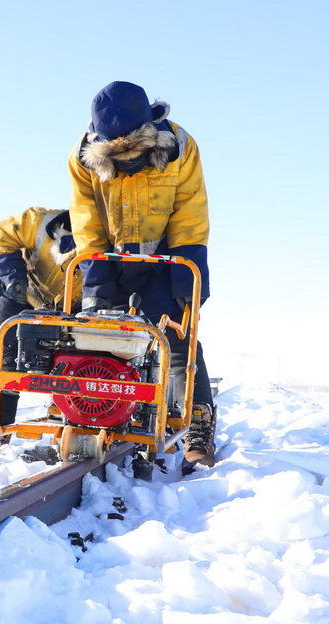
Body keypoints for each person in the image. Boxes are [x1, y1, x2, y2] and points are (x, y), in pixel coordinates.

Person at [67, 81, 217, 471]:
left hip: (167, 256)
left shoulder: (181, 146)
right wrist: (96, 281)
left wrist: (190, 269)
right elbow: (86, 220)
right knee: (104, 340)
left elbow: (190, 209)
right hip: (111, 258)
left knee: (177, 340)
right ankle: (111, 418)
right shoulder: (81, 158)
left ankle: (197, 431)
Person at [0, 207, 80, 447]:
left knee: (76, 363)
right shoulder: (38, 221)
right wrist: (13, 275)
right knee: (9, 361)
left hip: (73, 310)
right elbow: (2, 234)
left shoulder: (106, 239)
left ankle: (76, 423)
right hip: (25, 298)